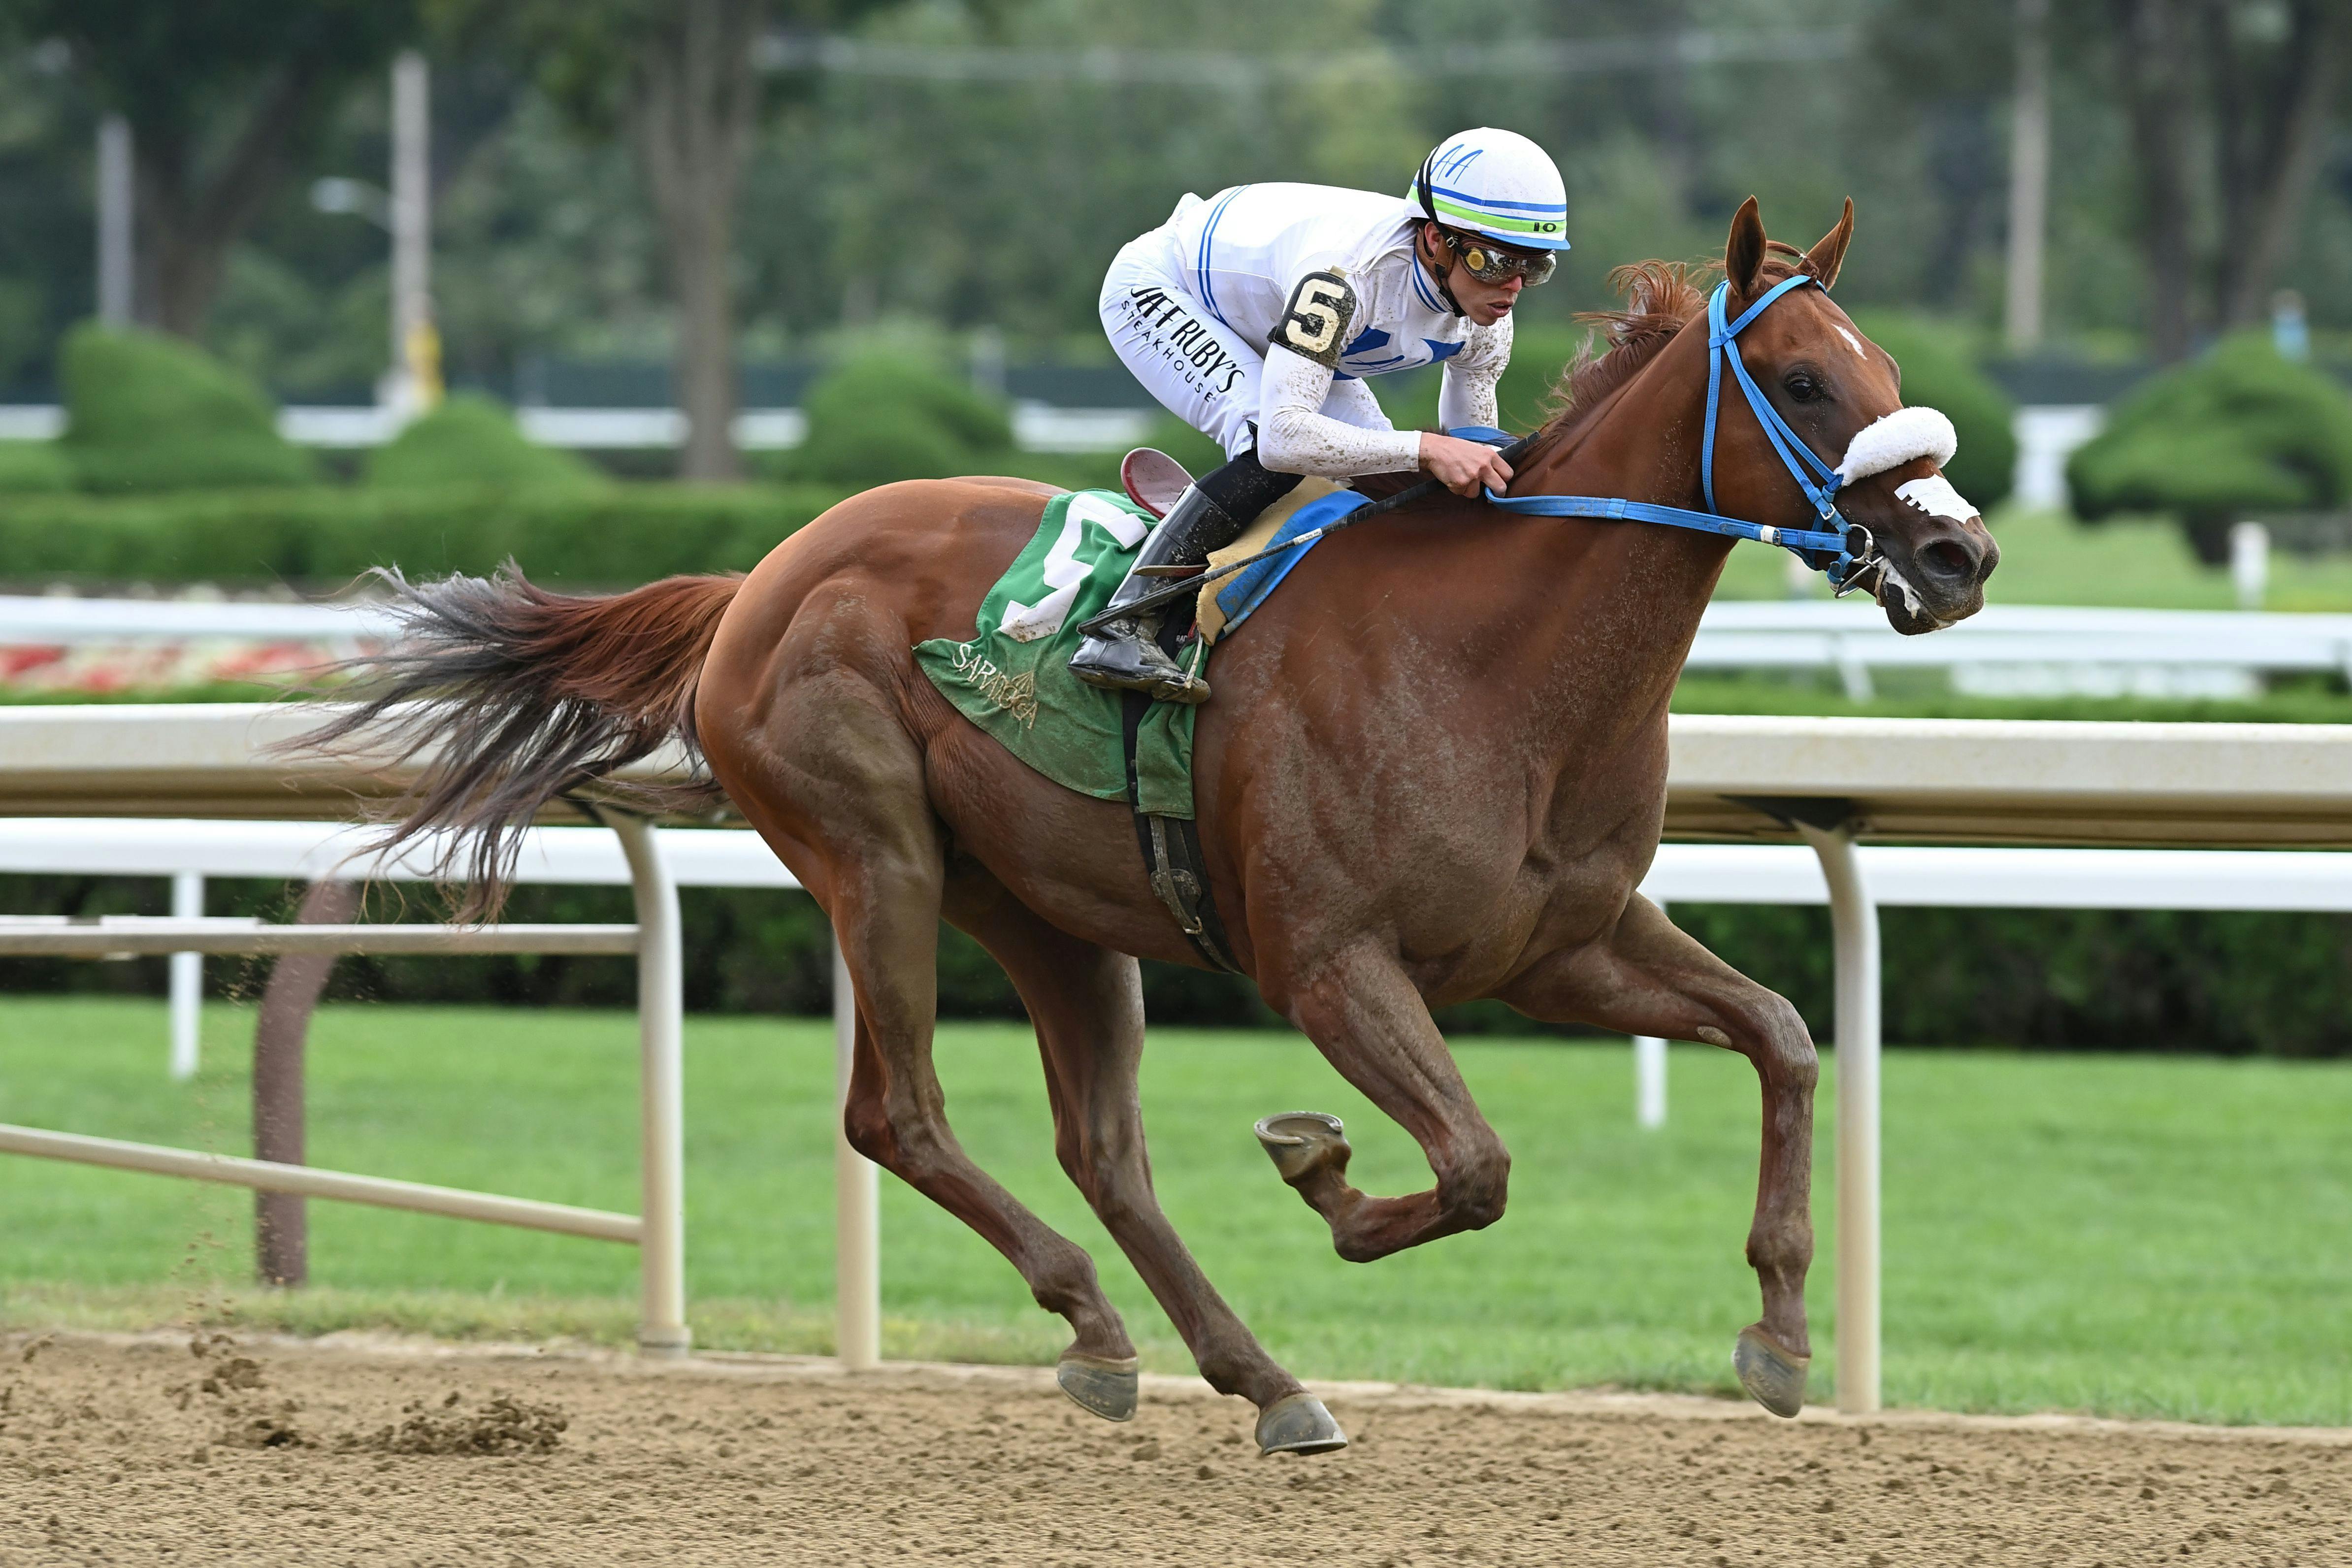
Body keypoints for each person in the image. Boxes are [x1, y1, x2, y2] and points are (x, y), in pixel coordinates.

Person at [1071, 127, 1571, 703]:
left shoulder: (1489, 319)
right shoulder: (1345, 280)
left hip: (1274, 321)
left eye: (1535, 268)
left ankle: (1240, 521)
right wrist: (1429, 448)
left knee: (1390, 481)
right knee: (1270, 441)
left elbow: (1472, 448)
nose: (1512, 287)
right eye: (1496, 261)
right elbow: (1285, 439)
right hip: (1166, 288)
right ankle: (1121, 624)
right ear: (1435, 239)